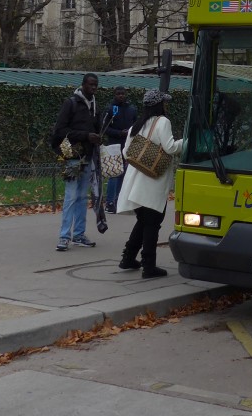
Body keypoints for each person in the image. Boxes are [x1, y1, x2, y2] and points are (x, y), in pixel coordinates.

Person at [118, 89, 186, 278]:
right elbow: (171, 147)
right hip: (152, 182)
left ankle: (128, 258)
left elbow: (126, 153)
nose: (167, 105)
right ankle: (149, 266)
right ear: (159, 105)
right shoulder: (163, 122)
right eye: (165, 102)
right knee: (152, 224)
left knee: (143, 221)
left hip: (134, 181)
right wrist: (187, 141)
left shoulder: (137, 125)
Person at [51, 73, 102, 251]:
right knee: (71, 196)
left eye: (96, 85)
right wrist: (86, 136)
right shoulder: (71, 103)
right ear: (83, 85)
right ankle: (64, 236)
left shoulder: (94, 104)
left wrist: (98, 137)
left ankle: (79, 234)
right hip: (72, 156)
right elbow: (60, 130)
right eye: (90, 84)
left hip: (87, 156)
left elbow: (96, 128)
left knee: (82, 197)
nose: (93, 88)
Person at [102, 87, 137, 213]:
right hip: (113, 145)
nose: (121, 96)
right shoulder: (110, 109)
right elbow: (105, 128)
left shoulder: (132, 109)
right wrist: (119, 133)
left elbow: (136, 126)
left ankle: (119, 201)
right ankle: (110, 203)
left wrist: (130, 133)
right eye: (118, 94)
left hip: (128, 146)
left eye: (123, 94)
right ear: (114, 95)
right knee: (114, 174)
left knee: (125, 174)